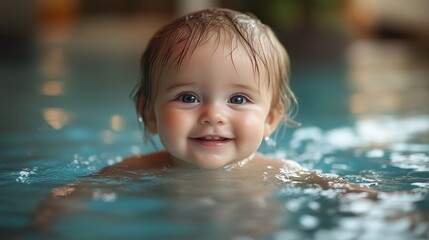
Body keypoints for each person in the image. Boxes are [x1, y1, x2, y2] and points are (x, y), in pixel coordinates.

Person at [102, 7, 303, 173]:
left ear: (270, 118)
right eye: (188, 98)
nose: (213, 116)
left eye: (238, 99)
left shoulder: (278, 173)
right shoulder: (134, 171)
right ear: (150, 114)